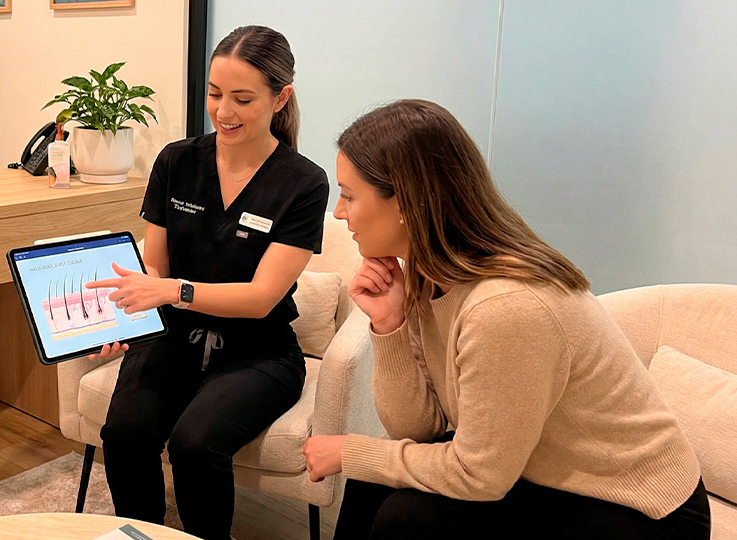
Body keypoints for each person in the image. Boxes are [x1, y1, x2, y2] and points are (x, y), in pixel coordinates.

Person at [302, 99, 711, 540]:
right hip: (542, 473)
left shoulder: (504, 307)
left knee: (404, 515)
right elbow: (417, 430)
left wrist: (353, 452)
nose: (339, 212)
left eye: (349, 195)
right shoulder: (427, 272)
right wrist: (390, 324)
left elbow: (479, 476)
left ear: (404, 201)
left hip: (642, 509)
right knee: (373, 481)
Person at [85, 26, 329, 540]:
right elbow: (153, 267)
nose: (223, 111)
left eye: (242, 98)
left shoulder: (303, 183)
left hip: (258, 351)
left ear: (280, 98)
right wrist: (118, 320)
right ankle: (141, 535)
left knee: (195, 444)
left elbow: (261, 299)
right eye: (215, 94)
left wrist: (173, 291)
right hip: (171, 337)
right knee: (125, 433)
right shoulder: (177, 161)